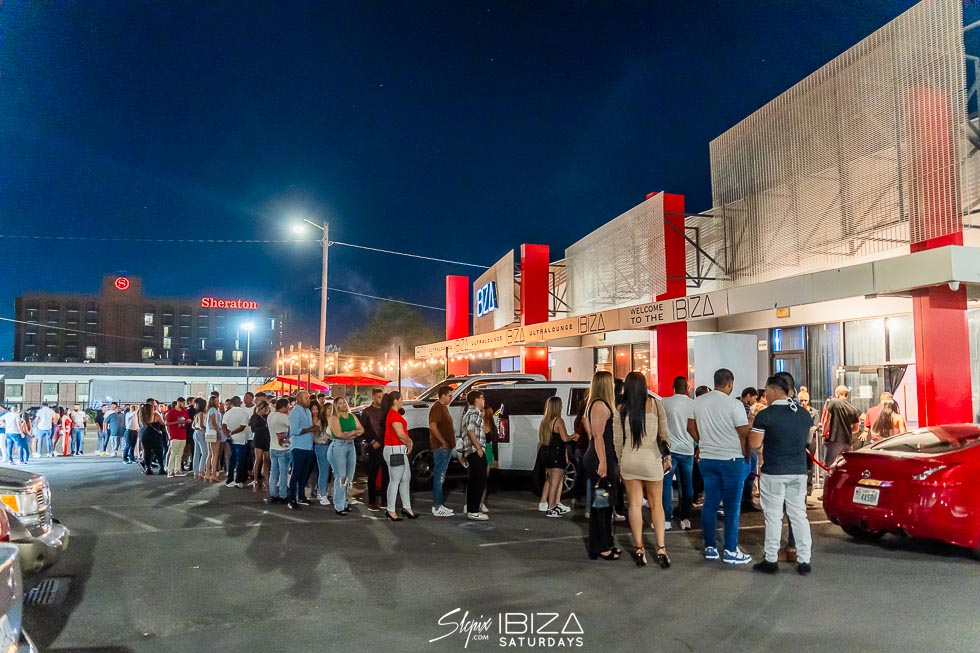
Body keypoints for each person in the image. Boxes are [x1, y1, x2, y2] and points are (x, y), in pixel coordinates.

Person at [748, 375, 814, 576]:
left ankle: (771, 559)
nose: (765, 395)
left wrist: (751, 427)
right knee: (799, 516)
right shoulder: (804, 414)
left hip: (774, 471)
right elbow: (808, 441)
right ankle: (804, 560)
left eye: (767, 391)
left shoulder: (765, 415)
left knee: (773, 517)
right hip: (798, 471)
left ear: (775, 390)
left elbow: (754, 444)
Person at [687, 368, 753, 565]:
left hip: (707, 459)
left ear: (714, 381)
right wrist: (747, 457)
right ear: (730, 383)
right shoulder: (735, 404)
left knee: (710, 504)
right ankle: (731, 549)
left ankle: (710, 547)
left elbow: (690, 427)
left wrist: (703, 442)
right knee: (732, 507)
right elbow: (744, 434)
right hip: (731, 460)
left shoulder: (697, 402)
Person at [616, 372, 671, 567]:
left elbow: (617, 442)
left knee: (634, 504)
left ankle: (639, 548)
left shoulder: (621, 409)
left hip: (629, 459)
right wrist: (667, 457)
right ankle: (661, 548)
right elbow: (664, 435)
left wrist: (620, 463)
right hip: (651, 459)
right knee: (656, 505)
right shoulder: (655, 405)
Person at [584, 371, 620, 560]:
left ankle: (606, 543)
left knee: (605, 503)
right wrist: (603, 462)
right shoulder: (599, 405)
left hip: (603, 457)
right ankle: (600, 546)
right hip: (599, 458)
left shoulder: (600, 404)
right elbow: (598, 436)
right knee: (601, 503)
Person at [661, 375, 696, 531]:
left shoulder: (664, 402)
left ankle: (666, 519)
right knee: (686, 485)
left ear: (673, 387)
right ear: (687, 388)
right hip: (687, 450)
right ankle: (685, 518)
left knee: (666, 484)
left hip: (669, 451)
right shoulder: (693, 404)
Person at [382, 391, 416, 521]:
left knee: (405, 478)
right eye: (401, 399)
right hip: (395, 449)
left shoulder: (393, 414)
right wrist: (409, 443)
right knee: (395, 480)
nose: (402, 401)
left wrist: (407, 443)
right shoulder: (394, 415)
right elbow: (400, 434)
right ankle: (390, 510)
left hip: (398, 449)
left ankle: (406, 507)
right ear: (395, 400)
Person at [538, 396, 574, 517]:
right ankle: (552, 507)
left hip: (546, 452)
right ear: (557, 407)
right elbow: (565, 438)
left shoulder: (545, 421)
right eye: (561, 405)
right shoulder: (558, 421)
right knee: (555, 482)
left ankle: (552, 505)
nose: (562, 406)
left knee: (551, 479)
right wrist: (573, 436)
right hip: (556, 453)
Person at [328, 397, 363, 516]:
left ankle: (345, 502)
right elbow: (339, 434)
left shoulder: (352, 416)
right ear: (336, 406)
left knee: (349, 476)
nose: (343, 404)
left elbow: (361, 430)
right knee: (341, 476)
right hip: (339, 446)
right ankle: (339, 505)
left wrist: (350, 433)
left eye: (344, 402)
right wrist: (354, 432)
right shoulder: (333, 418)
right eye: (340, 403)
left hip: (351, 446)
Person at [460, 390, 489, 521]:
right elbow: (470, 430)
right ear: (476, 400)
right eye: (482, 398)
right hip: (475, 450)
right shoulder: (474, 412)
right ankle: (473, 510)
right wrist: (478, 447)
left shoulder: (468, 412)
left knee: (474, 480)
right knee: (479, 480)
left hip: (470, 450)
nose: (484, 400)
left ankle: (472, 509)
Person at [428, 385, 456, 517]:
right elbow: (433, 426)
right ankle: (437, 505)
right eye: (449, 395)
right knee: (439, 476)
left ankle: (439, 504)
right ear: (443, 395)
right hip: (441, 447)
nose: (451, 398)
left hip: (446, 447)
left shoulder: (443, 408)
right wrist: (443, 441)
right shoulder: (437, 408)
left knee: (441, 476)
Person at [286, 390, 317, 509]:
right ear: (299, 399)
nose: (308, 400)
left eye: (308, 398)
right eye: (306, 398)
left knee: (304, 474)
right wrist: (311, 429)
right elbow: (294, 431)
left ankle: (302, 496)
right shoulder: (295, 412)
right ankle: (291, 498)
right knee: (296, 473)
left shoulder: (307, 411)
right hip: (298, 447)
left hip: (308, 446)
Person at [361, 388, 387, 512]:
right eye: (378, 397)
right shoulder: (367, 411)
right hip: (374, 446)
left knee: (386, 473)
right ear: (373, 397)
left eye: (382, 397)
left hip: (385, 445)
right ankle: (372, 500)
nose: (380, 399)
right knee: (373, 474)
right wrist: (371, 441)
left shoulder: (385, 410)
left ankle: (384, 499)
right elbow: (363, 429)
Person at [821, 385, 860, 466]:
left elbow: (826, 420)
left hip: (835, 440)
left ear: (838, 393)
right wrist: (846, 432)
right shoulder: (853, 409)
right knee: (846, 465)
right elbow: (856, 428)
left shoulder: (833, 402)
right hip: (848, 442)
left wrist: (823, 434)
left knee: (828, 465)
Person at [266, 398, 292, 504]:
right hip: (283, 449)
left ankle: (273, 494)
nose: (289, 409)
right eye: (288, 407)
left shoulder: (270, 415)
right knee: (283, 473)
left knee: (274, 472)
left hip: (273, 447)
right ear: (283, 407)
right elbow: (292, 425)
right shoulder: (283, 417)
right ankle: (282, 495)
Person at [221, 396, 250, 488]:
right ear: (240, 403)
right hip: (241, 439)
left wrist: (228, 435)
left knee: (231, 459)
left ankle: (230, 479)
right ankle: (238, 480)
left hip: (231, 439)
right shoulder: (244, 413)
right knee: (240, 460)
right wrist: (233, 432)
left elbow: (223, 426)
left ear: (231, 403)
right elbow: (242, 427)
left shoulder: (227, 413)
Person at [312, 401, 333, 505]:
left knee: (333, 472)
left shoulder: (335, 420)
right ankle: (322, 493)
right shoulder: (321, 422)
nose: (331, 410)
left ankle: (329, 491)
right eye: (328, 408)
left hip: (333, 446)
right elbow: (315, 435)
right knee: (324, 470)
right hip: (322, 446)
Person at [249, 400, 272, 491]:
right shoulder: (255, 417)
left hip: (267, 439)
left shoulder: (267, 416)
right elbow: (253, 429)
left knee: (266, 460)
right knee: (258, 459)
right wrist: (265, 426)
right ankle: (255, 480)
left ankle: (266, 480)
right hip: (259, 439)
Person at [138, 402, 166, 475]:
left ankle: (148, 469)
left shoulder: (142, 415)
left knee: (147, 451)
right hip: (154, 435)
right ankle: (161, 468)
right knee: (158, 451)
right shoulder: (155, 415)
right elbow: (163, 423)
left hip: (144, 434)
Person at [165, 397, 189, 478]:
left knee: (180, 454)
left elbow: (187, 420)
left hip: (183, 435)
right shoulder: (172, 412)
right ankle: (170, 471)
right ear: (179, 402)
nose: (184, 405)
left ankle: (177, 470)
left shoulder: (185, 411)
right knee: (173, 453)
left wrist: (187, 421)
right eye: (183, 403)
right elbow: (167, 423)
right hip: (175, 435)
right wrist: (177, 422)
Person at [481, 403, 499, 513]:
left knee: (484, 479)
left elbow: (495, 443)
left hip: (488, 450)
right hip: (480, 450)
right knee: (477, 478)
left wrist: (496, 458)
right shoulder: (478, 424)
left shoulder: (492, 427)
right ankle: (471, 503)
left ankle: (482, 503)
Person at [204, 397, 223, 482]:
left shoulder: (210, 410)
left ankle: (208, 474)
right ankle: (213, 475)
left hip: (209, 432)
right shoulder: (213, 410)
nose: (218, 402)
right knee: (215, 454)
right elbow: (214, 422)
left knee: (210, 454)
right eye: (217, 401)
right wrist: (218, 432)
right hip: (213, 432)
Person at [191, 398, 209, 479]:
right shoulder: (202, 413)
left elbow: (193, 426)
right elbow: (202, 425)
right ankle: (201, 470)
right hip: (201, 433)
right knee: (205, 452)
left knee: (197, 453)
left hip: (196, 433)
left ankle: (196, 471)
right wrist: (208, 428)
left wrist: (197, 427)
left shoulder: (197, 414)